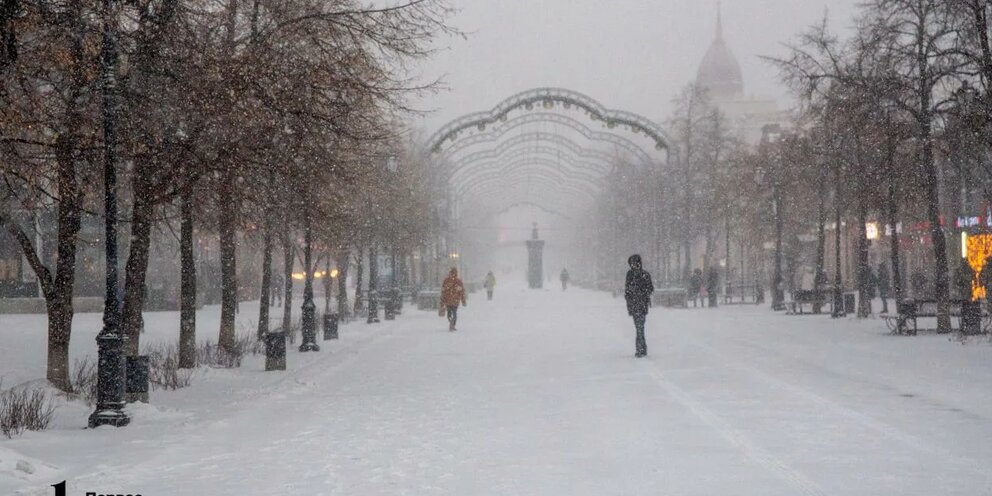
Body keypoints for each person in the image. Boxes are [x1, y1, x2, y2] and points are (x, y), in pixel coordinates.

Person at [624, 254, 655, 358]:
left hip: (641, 305)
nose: (634, 265)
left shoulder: (645, 274)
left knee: (640, 327)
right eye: (632, 263)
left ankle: (640, 349)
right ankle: (642, 348)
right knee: (639, 327)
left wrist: (642, 293)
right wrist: (631, 296)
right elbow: (627, 290)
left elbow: (650, 288)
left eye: (635, 263)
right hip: (634, 305)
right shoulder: (630, 274)